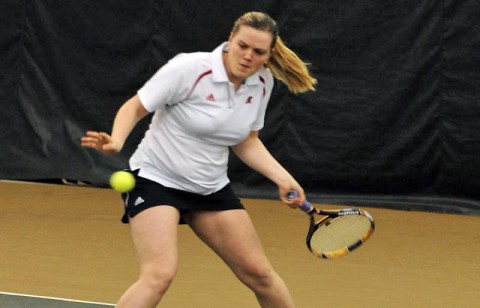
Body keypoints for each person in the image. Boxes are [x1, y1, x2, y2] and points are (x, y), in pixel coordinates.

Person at [81, 11, 316, 308]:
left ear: (268, 55)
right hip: (155, 180)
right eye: (242, 46)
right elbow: (135, 107)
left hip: (209, 188)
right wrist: (116, 140)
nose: (247, 56)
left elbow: (246, 141)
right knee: (159, 274)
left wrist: (283, 179)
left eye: (258, 52)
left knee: (260, 275)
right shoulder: (189, 68)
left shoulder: (263, 83)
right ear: (230, 40)